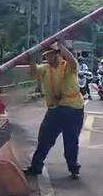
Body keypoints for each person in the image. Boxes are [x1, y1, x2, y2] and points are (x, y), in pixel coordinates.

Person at [25, 40, 85, 179]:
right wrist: (32, 57)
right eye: (46, 56)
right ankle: (36, 165)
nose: (48, 58)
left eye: (50, 55)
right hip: (56, 109)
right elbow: (33, 73)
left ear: (58, 54)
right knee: (45, 138)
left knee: (71, 140)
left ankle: (73, 166)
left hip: (73, 108)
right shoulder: (45, 69)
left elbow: (73, 62)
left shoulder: (67, 66)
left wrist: (61, 45)